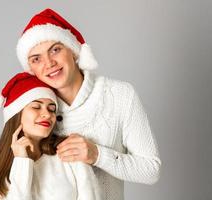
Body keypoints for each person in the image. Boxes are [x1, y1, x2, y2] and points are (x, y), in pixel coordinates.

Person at [15, 8, 162, 200]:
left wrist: (97, 155)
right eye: (36, 59)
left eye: (55, 49)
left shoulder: (120, 95)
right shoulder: (32, 110)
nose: (49, 63)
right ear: (31, 69)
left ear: (73, 52)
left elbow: (151, 170)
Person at [0, 72, 102, 200]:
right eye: (36, 107)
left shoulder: (68, 153)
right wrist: (22, 162)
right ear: (15, 114)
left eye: (52, 109)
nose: (47, 114)